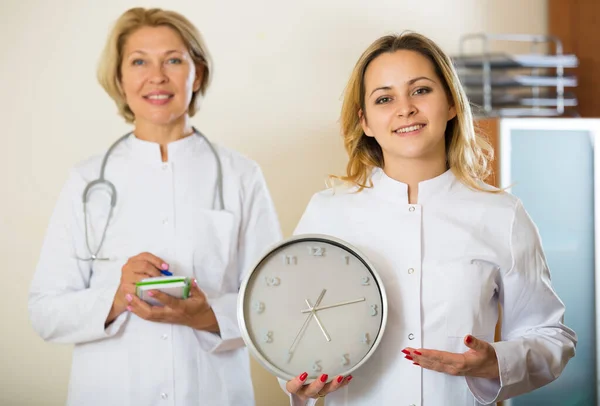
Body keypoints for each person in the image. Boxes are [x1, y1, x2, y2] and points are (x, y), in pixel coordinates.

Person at [281, 32, 577, 405]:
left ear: (451, 103)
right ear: (366, 121)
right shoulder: (328, 212)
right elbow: (289, 323)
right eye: (384, 98)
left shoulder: (502, 215)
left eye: (420, 90)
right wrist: (300, 381)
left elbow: (552, 336)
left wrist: (494, 362)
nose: (405, 108)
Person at [28, 7, 281, 406]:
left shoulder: (241, 175)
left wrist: (207, 315)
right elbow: (45, 312)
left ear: (197, 72)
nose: (157, 76)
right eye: (139, 61)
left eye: (174, 60)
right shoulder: (86, 181)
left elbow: (273, 304)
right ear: (119, 78)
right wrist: (116, 296)